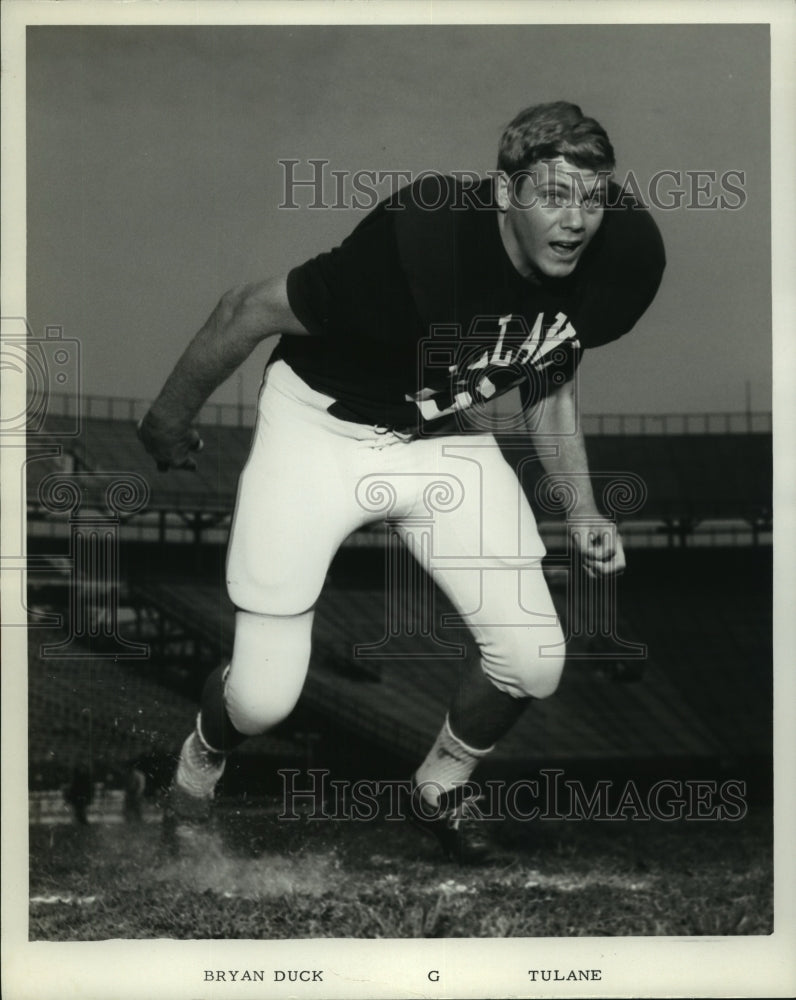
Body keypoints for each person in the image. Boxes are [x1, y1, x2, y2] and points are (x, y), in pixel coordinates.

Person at [138, 101, 665, 863]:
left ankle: (439, 789)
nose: (577, 220)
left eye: (591, 198)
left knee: (533, 658)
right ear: (502, 194)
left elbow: (549, 371)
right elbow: (248, 307)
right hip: (325, 429)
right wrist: (168, 418)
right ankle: (198, 763)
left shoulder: (620, 257)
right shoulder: (422, 244)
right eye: (552, 195)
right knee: (262, 697)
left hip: (444, 436)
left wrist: (580, 505)